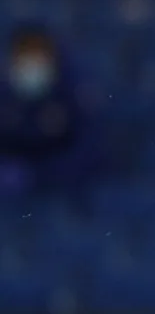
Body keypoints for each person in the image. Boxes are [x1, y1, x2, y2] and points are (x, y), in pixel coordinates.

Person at [0, 27, 95, 196]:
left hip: (60, 191)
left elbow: (86, 148)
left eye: (38, 58)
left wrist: (40, 176)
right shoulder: (4, 98)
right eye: (25, 56)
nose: (31, 66)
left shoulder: (70, 97)